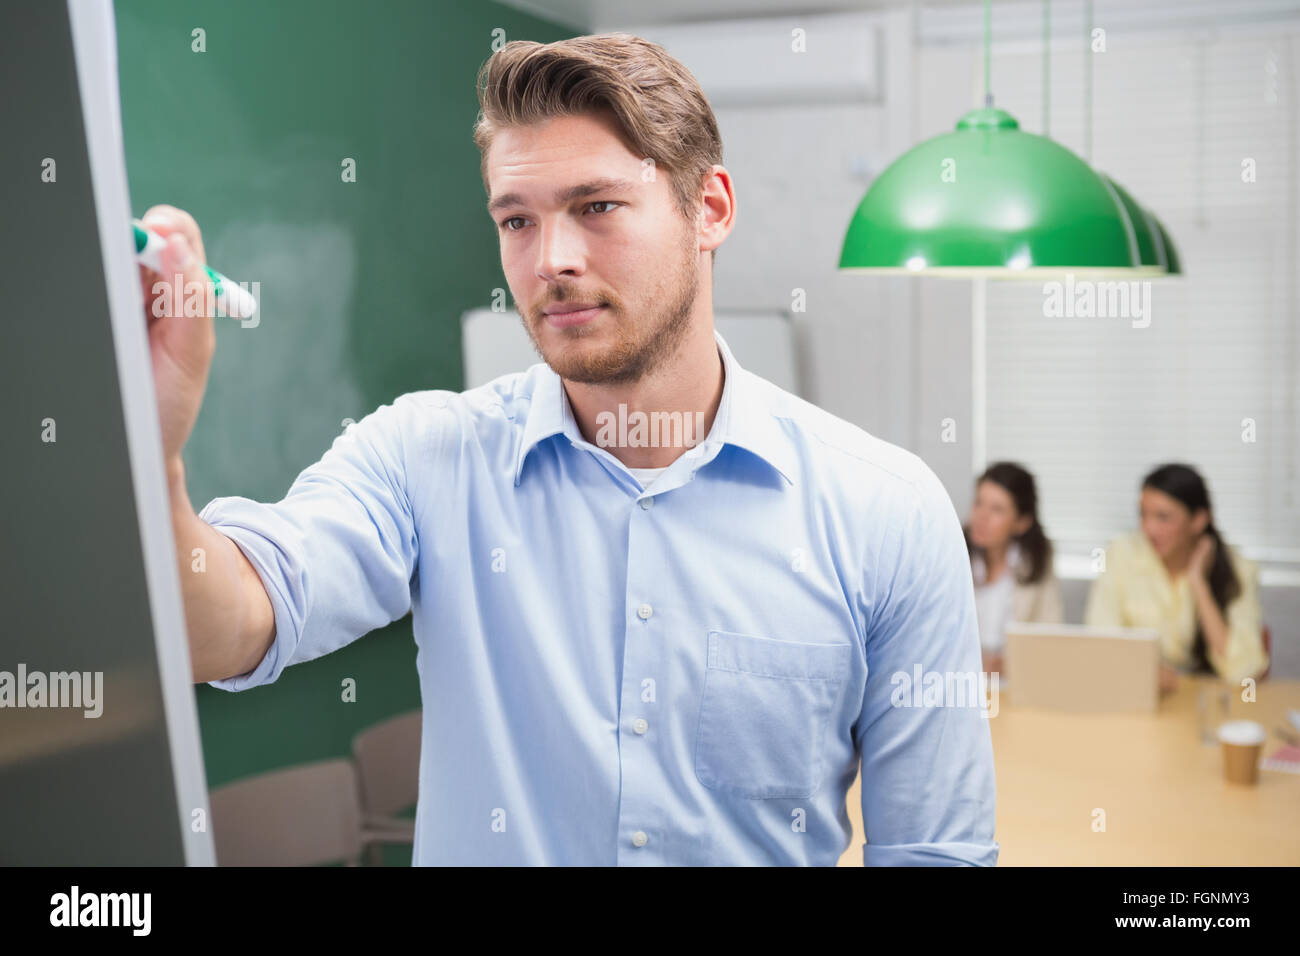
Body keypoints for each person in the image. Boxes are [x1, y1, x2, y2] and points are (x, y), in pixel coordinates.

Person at [144, 33, 996, 866]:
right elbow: (221, 628)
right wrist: (155, 461)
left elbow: (937, 852)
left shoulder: (888, 512)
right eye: (517, 220)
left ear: (711, 209)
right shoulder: (425, 457)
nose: (551, 260)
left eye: (596, 207)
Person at [1085, 463, 1267, 693]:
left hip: (1210, 704)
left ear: (1199, 520)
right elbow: (1100, 645)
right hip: (1139, 696)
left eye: (1163, 517)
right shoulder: (1121, 554)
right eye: (1143, 514)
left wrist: (1199, 583)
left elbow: (1245, 672)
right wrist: (1146, 673)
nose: (1149, 528)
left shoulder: (1239, 568)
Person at [963, 462, 1064, 676]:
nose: (982, 516)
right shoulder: (952, 554)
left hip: (1014, 687)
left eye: (997, 509)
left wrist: (1012, 664)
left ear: (1022, 522)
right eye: (979, 503)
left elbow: (1051, 643)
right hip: (958, 684)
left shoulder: (1038, 564)